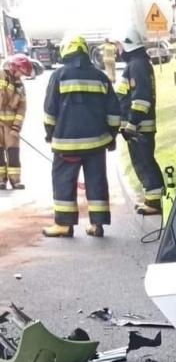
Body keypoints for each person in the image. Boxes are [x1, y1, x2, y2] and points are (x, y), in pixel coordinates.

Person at [42, 33, 121, 238]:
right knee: (96, 181)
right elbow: (114, 113)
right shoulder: (101, 77)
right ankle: (97, 224)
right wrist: (111, 136)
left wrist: (50, 133)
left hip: (67, 146)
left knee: (63, 181)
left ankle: (64, 225)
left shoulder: (58, 76)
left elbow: (50, 111)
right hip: (96, 145)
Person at [112, 26, 166, 215]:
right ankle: (152, 198)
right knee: (143, 161)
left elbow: (141, 100)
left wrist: (131, 125)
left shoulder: (136, 66)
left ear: (127, 45)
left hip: (139, 127)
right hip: (139, 126)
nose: (117, 50)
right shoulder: (138, 64)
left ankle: (154, 202)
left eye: (118, 45)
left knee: (144, 162)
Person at [0, 54, 33, 190]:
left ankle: (15, 181)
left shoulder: (20, 86)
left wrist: (16, 127)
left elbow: (22, 107)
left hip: (11, 126)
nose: (21, 76)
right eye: (21, 72)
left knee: (13, 153)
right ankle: (1, 180)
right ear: (14, 67)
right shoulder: (1, 77)